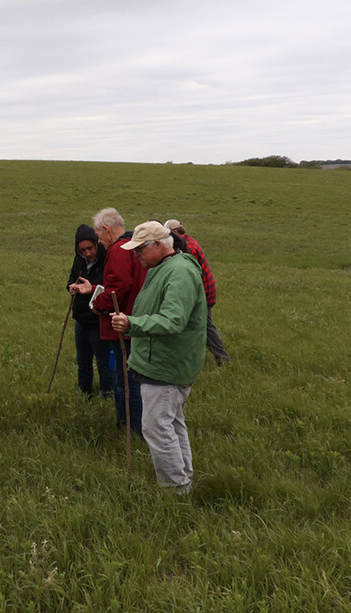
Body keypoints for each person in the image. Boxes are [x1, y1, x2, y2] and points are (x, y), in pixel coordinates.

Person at [110, 221, 206, 494]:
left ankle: (174, 489)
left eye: (140, 249)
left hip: (167, 365)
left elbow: (173, 320)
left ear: (159, 245)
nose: (136, 255)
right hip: (162, 362)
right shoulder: (163, 268)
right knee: (172, 423)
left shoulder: (179, 273)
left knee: (156, 427)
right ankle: (182, 481)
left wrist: (132, 324)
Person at [89, 208, 148, 437]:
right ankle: (134, 426)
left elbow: (117, 288)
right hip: (138, 320)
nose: (99, 242)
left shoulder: (118, 250)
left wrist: (97, 304)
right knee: (132, 377)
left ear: (106, 229)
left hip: (123, 324)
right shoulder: (135, 246)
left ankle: (131, 428)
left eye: (99, 236)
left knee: (126, 380)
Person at [164, 219, 231, 365]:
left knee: (205, 325)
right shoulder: (187, 241)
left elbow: (190, 276)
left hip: (203, 293)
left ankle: (222, 358)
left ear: (174, 231)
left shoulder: (189, 248)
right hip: (203, 290)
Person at [66, 224, 112, 399]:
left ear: (96, 244)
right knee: (83, 361)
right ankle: (84, 394)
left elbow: (109, 287)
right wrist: (71, 286)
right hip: (81, 319)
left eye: (90, 248)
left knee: (104, 363)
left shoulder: (107, 258)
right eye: (83, 250)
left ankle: (108, 396)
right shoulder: (79, 260)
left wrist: (91, 289)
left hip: (98, 320)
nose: (88, 253)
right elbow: (71, 277)